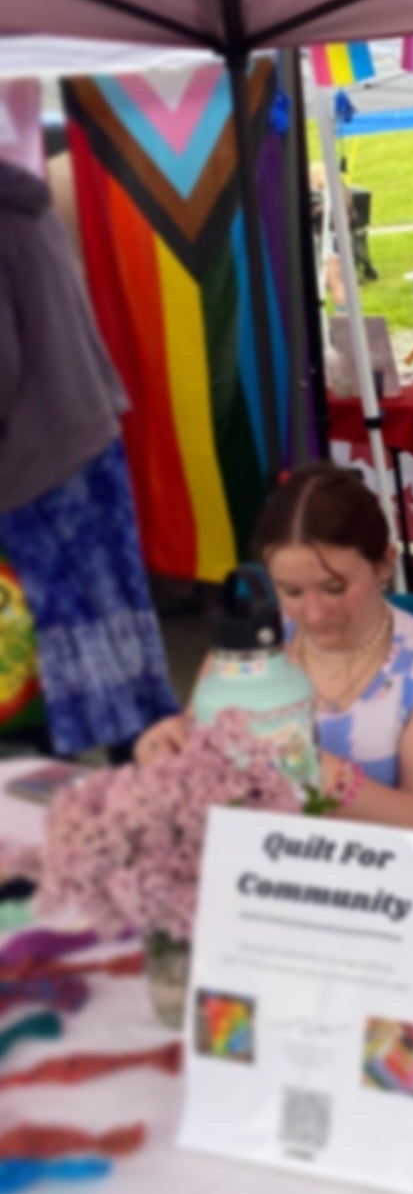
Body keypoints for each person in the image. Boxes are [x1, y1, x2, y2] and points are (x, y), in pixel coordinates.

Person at [136, 464, 413, 834]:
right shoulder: (250, 655)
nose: (314, 614)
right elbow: (202, 784)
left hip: (376, 867)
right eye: (291, 591)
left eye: (334, 588)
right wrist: (169, 759)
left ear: (385, 563)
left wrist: (329, 780)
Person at [0, 157, 179, 756]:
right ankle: (147, 785)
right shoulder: (21, 199)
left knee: (43, 663)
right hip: (80, 437)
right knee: (116, 642)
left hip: (33, 469)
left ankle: (72, 798)